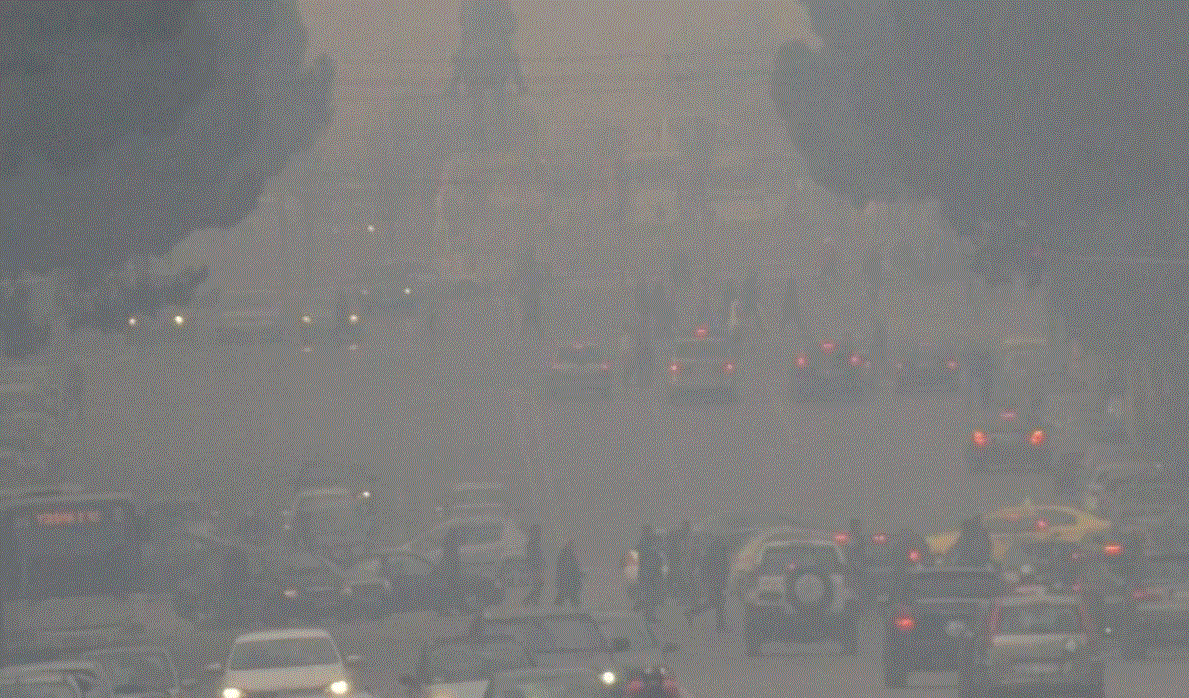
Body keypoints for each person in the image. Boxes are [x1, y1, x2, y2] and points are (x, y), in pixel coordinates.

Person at [685, 533, 730, 632]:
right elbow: (721, 567)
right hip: (714, 581)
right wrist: (715, 581)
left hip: (714, 581)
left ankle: (692, 613)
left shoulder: (713, 550)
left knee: (716, 602)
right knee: (718, 602)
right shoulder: (717, 550)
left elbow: (721, 567)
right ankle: (720, 626)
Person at [634, 524, 664, 621]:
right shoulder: (645, 544)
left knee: (650, 594)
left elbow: (658, 557)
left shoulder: (648, 543)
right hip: (648, 573)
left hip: (650, 573)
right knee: (650, 595)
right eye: (648, 531)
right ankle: (649, 614)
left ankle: (646, 610)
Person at [436, 527, 467, 615]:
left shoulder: (448, 543)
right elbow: (452, 560)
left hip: (449, 570)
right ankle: (455, 608)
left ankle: (446, 608)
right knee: (453, 589)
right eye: (458, 534)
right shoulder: (452, 545)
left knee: (449, 589)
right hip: (451, 571)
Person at [665, 521, 691, 605]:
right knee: (679, 580)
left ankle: (681, 598)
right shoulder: (679, 537)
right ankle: (681, 598)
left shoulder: (683, 537)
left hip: (679, 564)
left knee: (679, 580)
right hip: (677, 564)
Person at [554, 536, 583, 608]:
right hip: (568, 579)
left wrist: (579, 573)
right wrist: (578, 574)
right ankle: (577, 609)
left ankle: (556, 608)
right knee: (570, 594)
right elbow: (571, 567)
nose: (573, 546)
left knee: (567, 594)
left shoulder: (567, 553)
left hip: (568, 579)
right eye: (572, 544)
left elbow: (573, 566)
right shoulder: (567, 554)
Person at [523, 523, 544, 606]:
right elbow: (532, 556)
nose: (539, 533)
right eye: (538, 531)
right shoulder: (532, 543)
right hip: (535, 567)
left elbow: (538, 555)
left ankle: (532, 600)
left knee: (539, 584)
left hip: (536, 566)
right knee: (539, 584)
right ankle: (529, 600)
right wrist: (536, 567)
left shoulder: (535, 542)